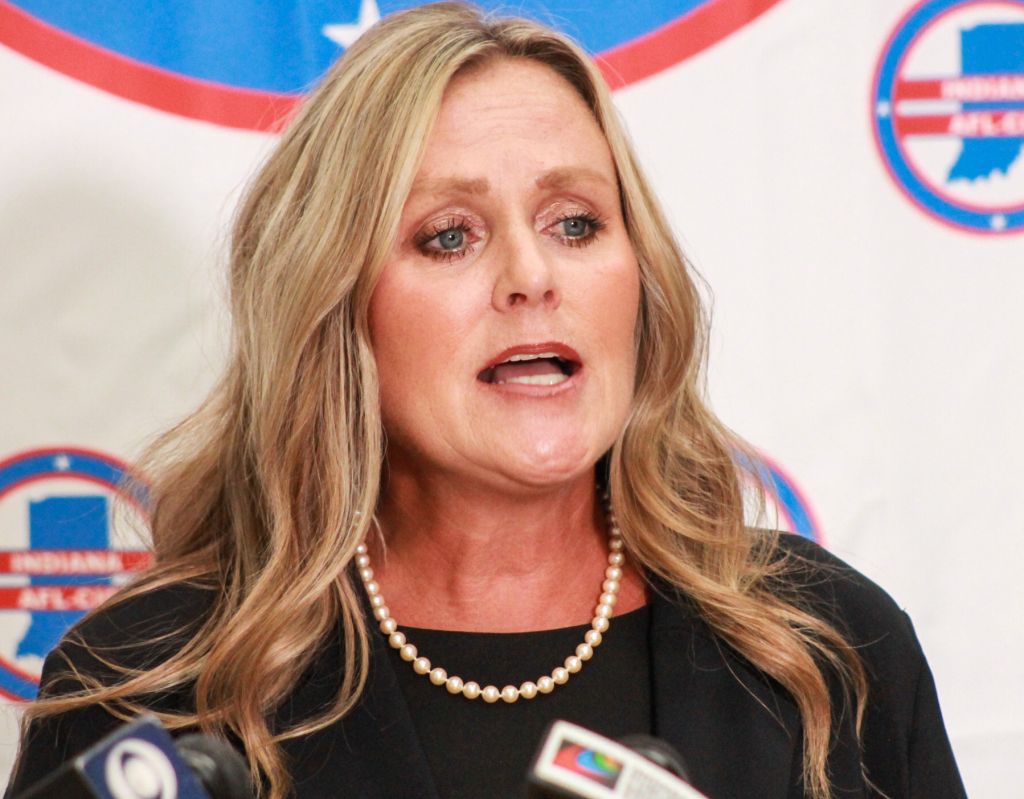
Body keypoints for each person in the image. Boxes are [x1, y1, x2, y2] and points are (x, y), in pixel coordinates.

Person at [5, 4, 967, 798]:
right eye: (449, 236)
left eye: (576, 222)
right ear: (338, 306)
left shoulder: (830, 647)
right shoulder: (149, 693)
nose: (531, 275)